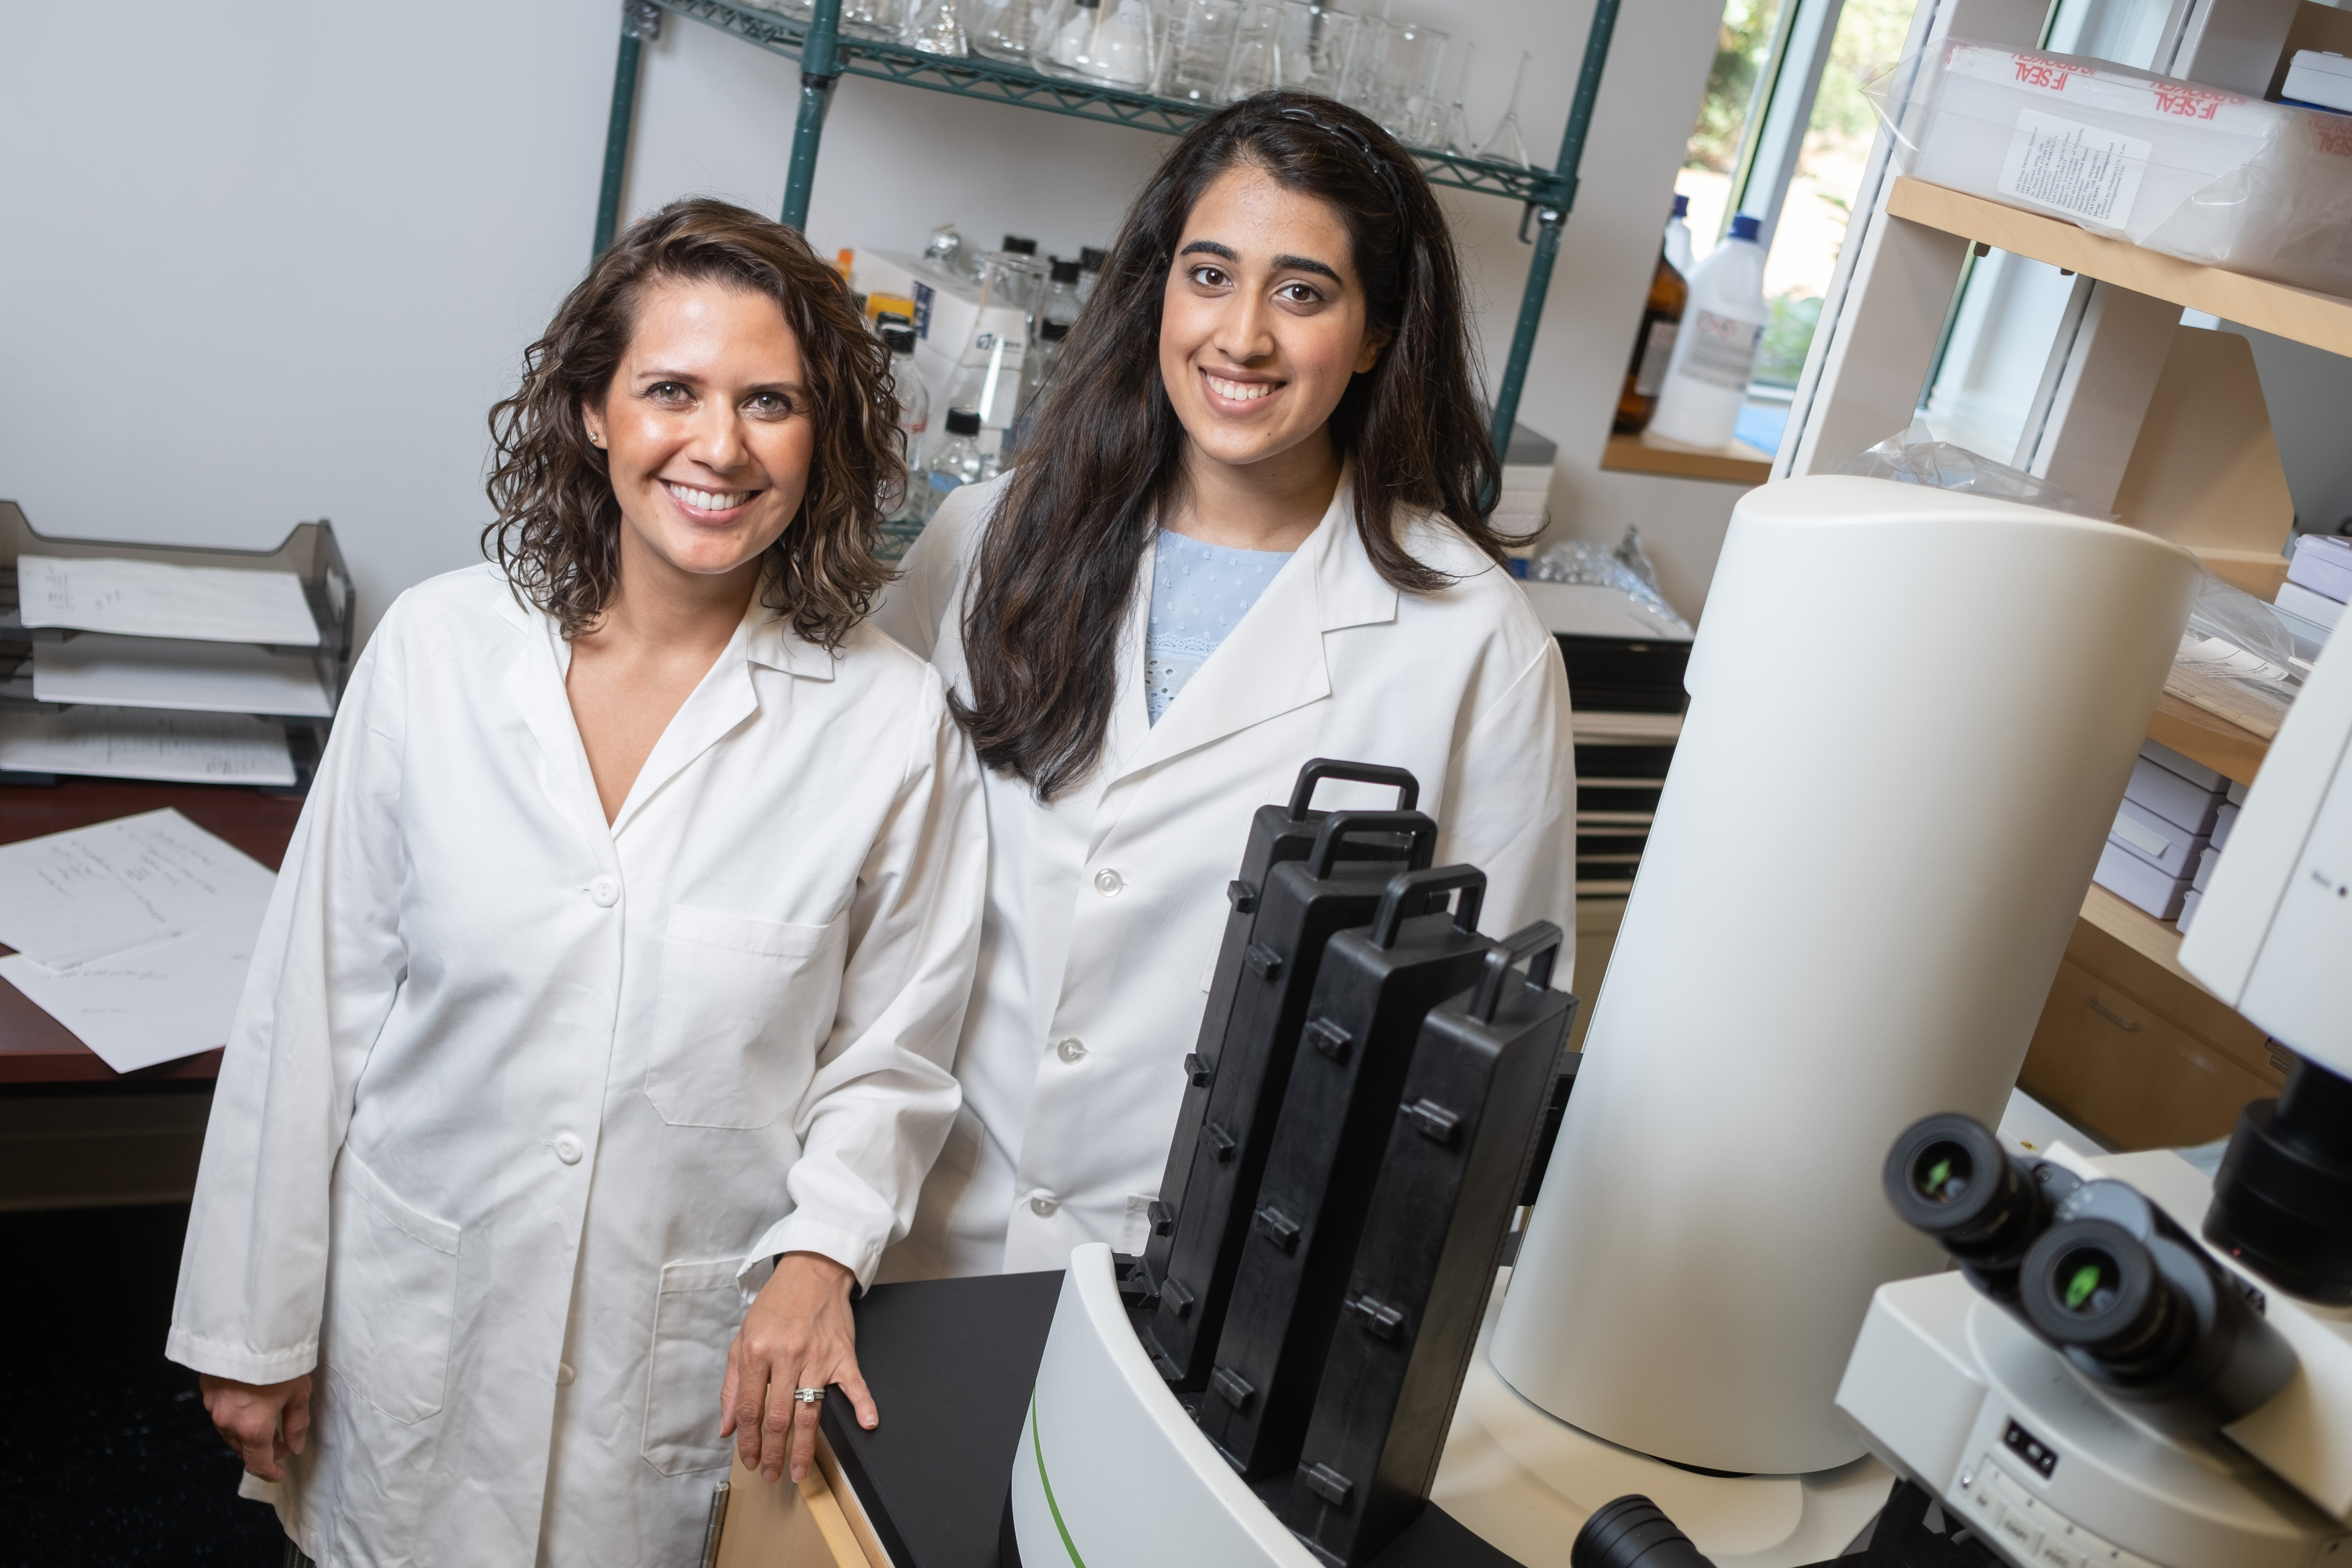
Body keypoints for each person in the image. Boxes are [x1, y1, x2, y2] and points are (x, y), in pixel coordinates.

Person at [168, 198, 986, 1566]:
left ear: (823, 436)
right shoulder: (437, 651)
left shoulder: (891, 726)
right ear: (594, 411)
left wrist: (820, 1250)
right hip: (414, 1330)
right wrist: (254, 1325)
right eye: (671, 389)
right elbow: (307, 1015)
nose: (717, 445)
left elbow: (894, 1058)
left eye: (770, 401)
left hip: (669, 1383)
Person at [876, 94, 1576, 1281]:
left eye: (1302, 292)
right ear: (1160, 289)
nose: (1241, 335)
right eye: (1210, 274)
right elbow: (863, 864)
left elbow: (1482, 1059)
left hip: (1216, 1291)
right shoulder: (988, 534)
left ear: (1373, 334)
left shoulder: (1472, 639)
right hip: (914, 1238)